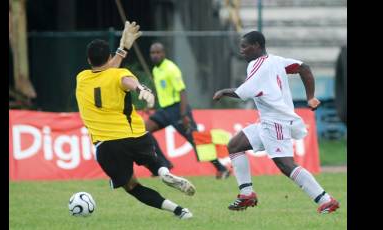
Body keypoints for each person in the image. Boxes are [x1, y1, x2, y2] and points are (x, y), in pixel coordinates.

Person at [75, 21, 196, 219]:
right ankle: (163, 171)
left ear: (89, 60)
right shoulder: (120, 74)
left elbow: (106, 70)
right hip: (136, 136)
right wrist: (140, 88)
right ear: (108, 57)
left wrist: (123, 49)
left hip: (107, 146)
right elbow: (124, 80)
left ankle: (179, 211)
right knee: (153, 162)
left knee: (133, 187)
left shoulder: (81, 78)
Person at [213, 31, 340, 213]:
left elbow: (244, 92)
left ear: (256, 45)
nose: (241, 51)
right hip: (268, 121)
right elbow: (304, 68)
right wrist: (310, 97)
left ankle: (326, 200)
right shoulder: (276, 60)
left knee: (286, 165)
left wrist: (224, 91)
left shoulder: (256, 65)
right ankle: (247, 194)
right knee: (235, 145)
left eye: (244, 46)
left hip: (276, 123)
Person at [146, 42, 230, 179]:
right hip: (164, 110)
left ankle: (222, 169)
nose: (155, 55)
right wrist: (151, 105)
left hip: (178, 109)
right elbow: (163, 91)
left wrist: (184, 114)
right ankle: (164, 164)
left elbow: (182, 91)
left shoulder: (171, 69)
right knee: (144, 131)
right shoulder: (156, 70)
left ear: (164, 53)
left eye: (157, 52)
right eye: (152, 53)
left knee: (196, 141)